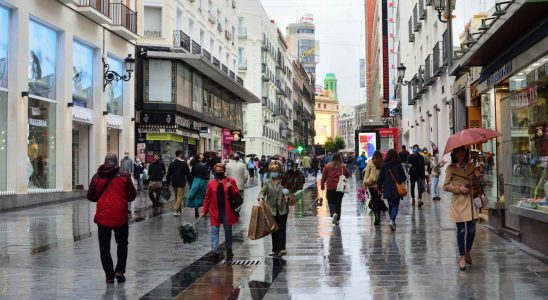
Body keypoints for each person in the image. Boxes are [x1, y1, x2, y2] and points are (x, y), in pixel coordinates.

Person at [87, 153, 136, 283]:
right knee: (122, 244)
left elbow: (91, 196)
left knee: (104, 247)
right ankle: (119, 271)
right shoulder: (124, 176)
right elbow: (132, 196)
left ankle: (109, 275)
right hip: (120, 216)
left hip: (103, 217)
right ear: (116, 162)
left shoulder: (97, 176)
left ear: (105, 162)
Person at [443, 147, 477, 271]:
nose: (461, 154)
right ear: (455, 154)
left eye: (463, 152)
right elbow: (445, 186)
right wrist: (459, 189)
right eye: (458, 152)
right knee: (461, 230)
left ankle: (468, 251)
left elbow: (477, 184)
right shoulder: (451, 168)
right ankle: (462, 256)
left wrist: (478, 177)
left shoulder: (471, 166)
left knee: (472, 230)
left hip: (470, 201)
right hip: (458, 202)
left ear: (466, 153)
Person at [200, 163, 240, 260]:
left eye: (221, 170)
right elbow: (207, 198)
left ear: (224, 171)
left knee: (228, 230)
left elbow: (237, 194)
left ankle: (229, 249)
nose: (219, 172)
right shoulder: (211, 183)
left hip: (227, 210)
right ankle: (214, 250)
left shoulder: (231, 181)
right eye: (217, 170)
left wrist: (231, 187)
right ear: (214, 172)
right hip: (215, 210)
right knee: (214, 230)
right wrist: (203, 211)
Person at [258, 162, 290, 256]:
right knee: (274, 229)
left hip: (282, 208)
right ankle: (275, 249)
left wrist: (288, 195)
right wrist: (261, 198)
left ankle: (282, 249)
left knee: (281, 229)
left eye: (275, 171)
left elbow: (289, 192)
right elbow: (262, 192)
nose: (273, 173)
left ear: (279, 171)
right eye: (272, 171)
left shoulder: (284, 181)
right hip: (271, 209)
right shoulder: (267, 181)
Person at [377, 149, 406, 231]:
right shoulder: (398, 164)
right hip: (397, 188)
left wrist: (379, 188)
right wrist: (399, 179)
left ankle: (392, 221)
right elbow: (404, 177)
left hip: (387, 188)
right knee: (395, 205)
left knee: (390, 204)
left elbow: (380, 178)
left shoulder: (383, 165)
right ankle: (392, 220)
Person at [321, 152, 350, 225]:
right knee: (338, 203)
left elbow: (323, 176)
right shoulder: (342, 167)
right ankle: (337, 219)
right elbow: (347, 175)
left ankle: (333, 213)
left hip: (330, 187)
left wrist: (322, 185)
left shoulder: (328, 166)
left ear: (332, 158)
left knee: (331, 202)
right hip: (340, 187)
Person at [166, 150, 191, 216]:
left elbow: (168, 174)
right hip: (181, 182)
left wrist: (167, 183)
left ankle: (179, 210)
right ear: (181, 154)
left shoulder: (172, 163)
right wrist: (190, 182)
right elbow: (188, 173)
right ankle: (176, 209)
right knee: (180, 197)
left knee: (176, 196)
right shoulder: (184, 163)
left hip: (174, 182)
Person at [363, 151, 383, 225]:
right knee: (378, 200)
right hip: (380, 185)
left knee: (374, 200)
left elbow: (366, 174)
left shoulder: (370, 163)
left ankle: (376, 215)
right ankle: (378, 216)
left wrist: (364, 184)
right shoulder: (382, 163)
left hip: (372, 185)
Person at [188, 154, 209, 218]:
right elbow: (206, 175)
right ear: (199, 159)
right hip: (202, 182)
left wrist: (191, 184)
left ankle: (196, 211)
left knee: (196, 195)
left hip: (195, 181)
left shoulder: (194, 166)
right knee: (204, 196)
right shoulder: (203, 165)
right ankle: (205, 211)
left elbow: (191, 175)